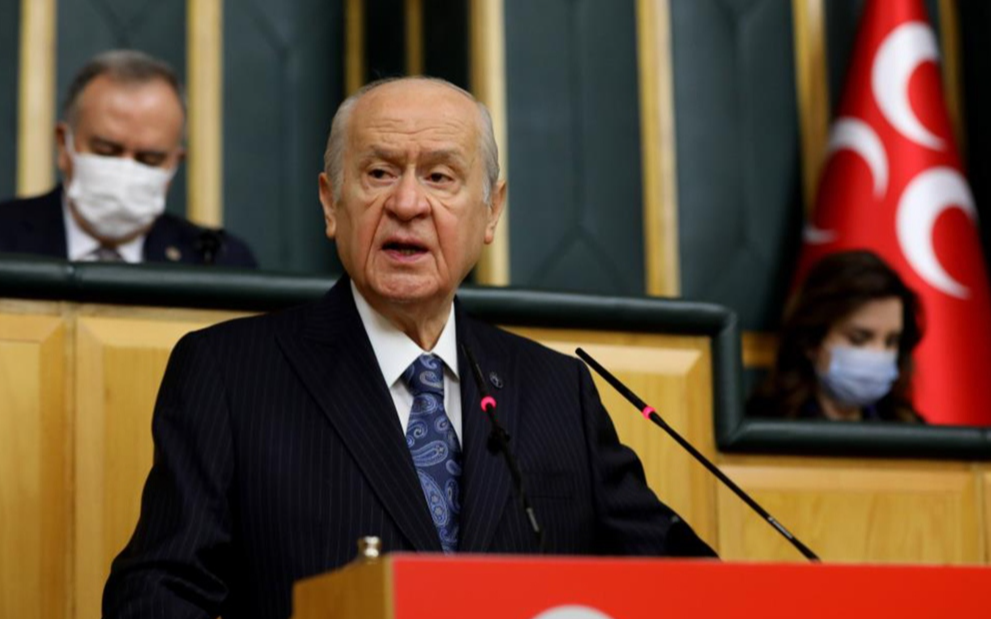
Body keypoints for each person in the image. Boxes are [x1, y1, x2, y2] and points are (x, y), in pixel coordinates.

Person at [102, 76, 715, 619]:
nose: (407, 203)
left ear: (492, 211)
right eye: (379, 173)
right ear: (331, 203)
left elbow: (683, 582)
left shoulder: (558, 391)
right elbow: (156, 593)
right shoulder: (229, 374)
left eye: (440, 177)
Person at [0, 49, 256, 267]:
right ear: (63, 145)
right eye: (106, 150)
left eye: (149, 158)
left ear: (174, 163)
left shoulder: (217, 261)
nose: (126, 168)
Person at [747, 250, 924, 422]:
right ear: (811, 342)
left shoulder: (907, 426)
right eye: (859, 339)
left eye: (891, 341)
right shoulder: (763, 425)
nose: (879, 353)